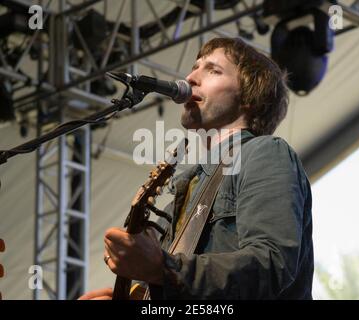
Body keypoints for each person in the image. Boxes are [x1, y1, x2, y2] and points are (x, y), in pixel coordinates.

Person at [79, 37, 314, 300]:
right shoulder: (188, 187)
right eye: (195, 67)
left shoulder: (264, 152)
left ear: (249, 97)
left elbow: (271, 264)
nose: (191, 77)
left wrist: (164, 269)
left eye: (213, 70)